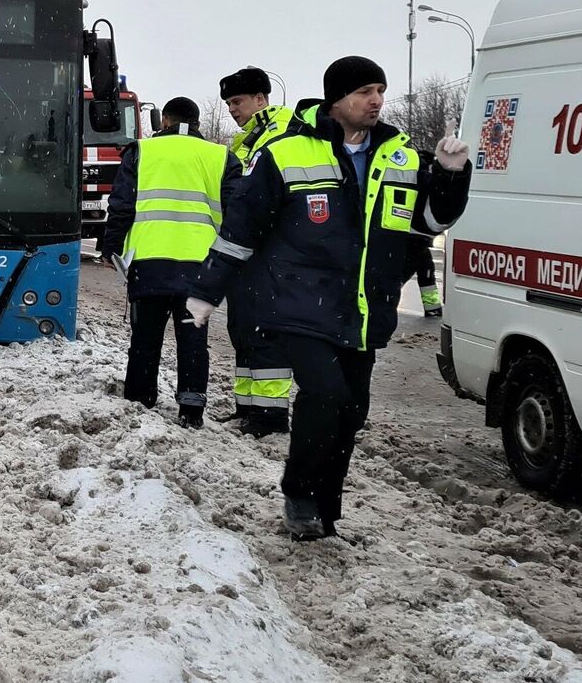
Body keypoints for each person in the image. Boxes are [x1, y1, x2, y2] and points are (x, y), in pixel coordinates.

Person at [189, 56, 472, 539]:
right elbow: (243, 227)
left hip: (365, 307)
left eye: (379, 90)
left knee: (351, 410)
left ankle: (327, 508)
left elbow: (429, 223)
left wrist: (449, 174)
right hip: (301, 304)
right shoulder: (288, 152)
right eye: (364, 91)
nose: (376, 101)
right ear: (336, 99)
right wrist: (207, 291)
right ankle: (300, 495)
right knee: (325, 396)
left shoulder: (400, 156)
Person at [100, 96, 240, 428]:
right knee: (193, 339)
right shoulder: (221, 156)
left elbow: (122, 205)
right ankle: (191, 408)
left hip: (150, 262)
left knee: (146, 337)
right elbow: (237, 213)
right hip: (201, 267)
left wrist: (111, 248)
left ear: (164, 121)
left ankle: (140, 398)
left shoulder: (142, 152)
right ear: (198, 124)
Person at [216, 66, 298, 435]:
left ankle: (271, 416)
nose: (233, 109)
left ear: (261, 99)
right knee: (243, 331)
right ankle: (247, 407)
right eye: (230, 103)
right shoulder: (247, 140)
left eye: (238, 101)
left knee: (265, 334)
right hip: (247, 251)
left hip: (271, 253)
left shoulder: (280, 134)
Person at [410, 235, 442, 317]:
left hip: (416, 242)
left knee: (426, 272)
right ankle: (432, 308)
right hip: (412, 242)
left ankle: (432, 307)